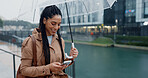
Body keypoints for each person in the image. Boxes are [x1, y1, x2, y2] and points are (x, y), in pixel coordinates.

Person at [20, 5, 78, 78]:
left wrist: (70, 57)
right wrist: (48, 68)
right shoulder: (30, 42)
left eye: (59, 24)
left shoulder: (60, 41)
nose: (56, 27)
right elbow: (24, 70)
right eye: (53, 24)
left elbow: (60, 64)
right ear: (44, 20)